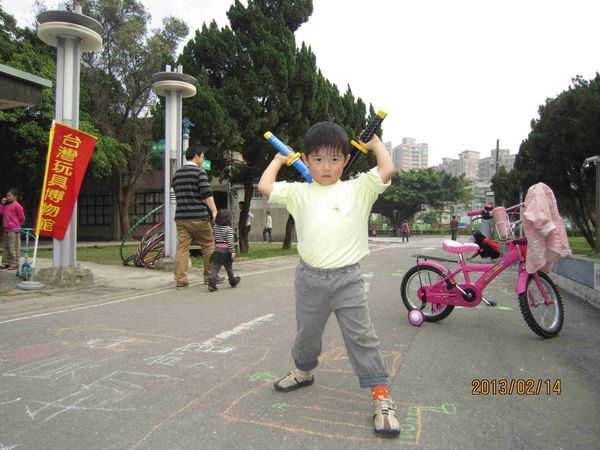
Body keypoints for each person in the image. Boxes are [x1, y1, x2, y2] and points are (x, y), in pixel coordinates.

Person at [258, 122, 400, 438]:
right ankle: (303, 371)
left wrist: (376, 145)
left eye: (335, 159)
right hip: (309, 278)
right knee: (307, 333)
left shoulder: (358, 188)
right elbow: (265, 186)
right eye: (318, 159)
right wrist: (279, 160)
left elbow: (387, 170)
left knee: (362, 337)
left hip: (348, 279)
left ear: (346, 160)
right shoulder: (298, 192)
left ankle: (381, 396)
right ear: (306, 160)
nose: (326, 167)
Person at [171, 145, 222, 289]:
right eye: (202, 157)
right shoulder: (200, 173)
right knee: (208, 245)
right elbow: (207, 194)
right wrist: (214, 211)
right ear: (196, 156)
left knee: (182, 248)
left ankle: (181, 280)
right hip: (198, 216)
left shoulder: (176, 174)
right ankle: (210, 277)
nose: (202, 160)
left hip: (181, 217)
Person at [208, 209, 240, 292]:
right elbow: (230, 242)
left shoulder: (215, 227)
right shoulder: (229, 230)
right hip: (226, 252)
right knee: (229, 267)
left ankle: (212, 284)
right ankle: (232, 281)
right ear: (228, 219)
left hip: (217, 250)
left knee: (215, 268)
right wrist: (233, 252)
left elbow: (214, 237)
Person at [0, 188, 26, 270]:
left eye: (9, 196)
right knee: (5, 247)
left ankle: (14, 263)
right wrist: (2, 204)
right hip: (6, 229)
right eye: (7, 196)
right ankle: (6, 263)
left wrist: (16, 225)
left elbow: (22, 217)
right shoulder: (6, 205)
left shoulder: (17, 205)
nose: (7, 197)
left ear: (15, 196)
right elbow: (1, 212)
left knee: (13, 247)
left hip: (14, 229)